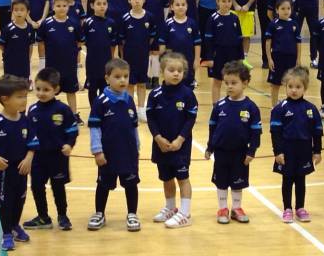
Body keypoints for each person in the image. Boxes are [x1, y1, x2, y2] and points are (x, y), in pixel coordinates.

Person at [0, 75, 38, 251]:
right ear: (5, 99)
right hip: (4, 170)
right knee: (6, 203)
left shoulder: (25, 120)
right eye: (20, 97)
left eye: (25, 96)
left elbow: (33, 142)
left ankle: (15, 225)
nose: (24, 100)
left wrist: (29, 158)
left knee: (20, 200)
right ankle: (6, 232)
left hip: (22, 169)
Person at [87, 59, 142, 232]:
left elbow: (134, 126)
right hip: (108, 153)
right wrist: (97, 150)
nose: (122, 80)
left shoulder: (129, 100)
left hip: (128, 152)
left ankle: (132, 213)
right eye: (117, 77)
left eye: (125, 76)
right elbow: (94, 127)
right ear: (107, 78)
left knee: (131, 184)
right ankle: (99, 213)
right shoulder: (100, 101)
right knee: (103, 184)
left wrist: (137, 146)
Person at [204, 60, 261, 224]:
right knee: (221, 182)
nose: (229, 86)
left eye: (234, 83)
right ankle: (222, 208)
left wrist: (252, 151)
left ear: (245, 83)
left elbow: (256, 132)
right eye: (226, 83)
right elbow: (212, 128)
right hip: (221, 152)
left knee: (237, 182)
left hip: (240, 152)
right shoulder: (219, 106)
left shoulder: (251, 107)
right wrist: (210, 148)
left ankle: (237, 207)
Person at [146, 52, 198, 229]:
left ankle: (185, 213)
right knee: (166, 178)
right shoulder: (155, 95)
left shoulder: (188, 94)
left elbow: (191, 119)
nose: (176, 73)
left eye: (180, 71)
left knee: (183, 178)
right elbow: (150, 117)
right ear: (162, 72)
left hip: (180, 146)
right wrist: (158, 138)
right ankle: (170, 207)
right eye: (171, 70)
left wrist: (180, 139)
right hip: (161, 145)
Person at [23, 68, 79, 231]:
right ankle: (43, 217)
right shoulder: (32, 110)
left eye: (46, 90)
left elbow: (72, 130)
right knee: (36, 186)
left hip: (57, 157)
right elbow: (28, 133)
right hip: (38, 158)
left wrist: (69, 144)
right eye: (38, 89)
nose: (41, 93)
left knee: (58, 186)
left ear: (56, 90)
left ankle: (62, 215)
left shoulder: (63, 109)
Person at [270, 66, 323, 223]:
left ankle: (300, 207)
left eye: (298, 87)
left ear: (304, 88)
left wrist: (317, 151)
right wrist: (277, 151)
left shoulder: (311, 109)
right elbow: (275, 132)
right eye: (290, 86)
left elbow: (317, 132)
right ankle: (287, 208)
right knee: (287, 179)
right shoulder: (280, 109)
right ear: (285, 86)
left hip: (304, 150)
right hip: (287, 150)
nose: (294, 90)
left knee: (301, 179)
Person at [37, 0, 85, 123]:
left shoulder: (74, 23)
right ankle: (48, 114)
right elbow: (40, 42)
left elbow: (80, 41)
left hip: (69, 65)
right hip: (52, 66)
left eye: (64, 5)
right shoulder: (47, 24)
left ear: (68, 7)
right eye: (58, 6)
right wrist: (43, 59)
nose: (61, 8)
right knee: (50, 90)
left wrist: (73, 53)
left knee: (71, 91)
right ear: (53, 7)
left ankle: (74, 115)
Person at [119, 0, 157, 122]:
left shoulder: (149, 17)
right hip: (129, 57)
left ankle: (141, 110)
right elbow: (122, 40)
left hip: (143, 56)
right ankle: (131, 110)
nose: (137, 1)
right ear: (129, 0)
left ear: (144, 0)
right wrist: (123, 57)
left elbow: (152, 37)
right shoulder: (125, 18)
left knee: (142, 83)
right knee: (130, 84)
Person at [201, 0, 244, 105]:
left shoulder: (235, 18)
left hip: (233, 54)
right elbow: (208, 40)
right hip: (218, 54)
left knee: (232, 79)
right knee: (217, 81)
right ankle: (216, 105)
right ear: (217, 1)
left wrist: (241, 57)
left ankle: (230, 102)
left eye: (229, 1)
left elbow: (240, 38)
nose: (227, 4)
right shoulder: (213, 18)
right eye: (224, 1)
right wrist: (209, 57)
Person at [157, 0, 202, 89]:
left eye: (183, 4)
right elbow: (162, 44)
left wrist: (197, 59)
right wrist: (162, 60)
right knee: (171, 86)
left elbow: (197, 43)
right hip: (172, 61)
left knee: (188, 86)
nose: (180, 7)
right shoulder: (168, 24)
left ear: (187, 6)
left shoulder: (192, 23)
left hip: (188, 60)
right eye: (177, 5)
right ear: (172, 7)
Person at [82, 0, 118, 107]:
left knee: (105, 89)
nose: (102, 6)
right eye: (98, 4)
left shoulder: (111, 23)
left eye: (104, 3)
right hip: (92, 62)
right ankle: (94, 111)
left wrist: (111, 60)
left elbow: (113, 45)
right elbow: (83, 41)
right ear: (92, 6)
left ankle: (103, 111)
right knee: (92, 89)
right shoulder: (88, 23)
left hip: (106, 63)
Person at [265, 0, 301, 106]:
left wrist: (298, 59)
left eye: (288, 8)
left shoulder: (294, 24)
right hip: (277, 57)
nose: (286, 11)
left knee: (291, 83)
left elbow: (298, 43)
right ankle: (274, 106)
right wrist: (269, 59)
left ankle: (290, 105)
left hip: (291, 58)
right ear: (277, 10)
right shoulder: (273, 24)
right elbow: (268, 43)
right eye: (283, 8)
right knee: (275, 84)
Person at [17, 0, 52, 66]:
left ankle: (42, 70)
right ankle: (26, 71)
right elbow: (21, 5)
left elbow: (47, 2)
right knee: (28, 45)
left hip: (42, 20)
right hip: (27, 21)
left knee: (42, 43)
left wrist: (42, 19)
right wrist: (30, 21)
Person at [0, 0, 35, 82]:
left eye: (22, 10)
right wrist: (9, 54)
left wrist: (28, 59)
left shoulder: (30, 28)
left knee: (23, 86)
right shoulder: (8, 28)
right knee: (11, 86)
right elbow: (1, 44)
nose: (19, 12)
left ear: (28, 12)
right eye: (16, 10)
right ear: (12, 11)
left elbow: (30, 45)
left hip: (24, 63)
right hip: (10, 63)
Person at [144, 0, 168, 89]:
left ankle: (156, 78)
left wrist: (163, 23)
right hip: (146, 27)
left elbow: (165, 10)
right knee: (147, 52)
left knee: (156, 53)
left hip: (159, 26)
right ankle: (147, 77)